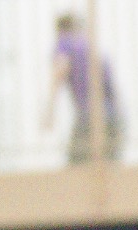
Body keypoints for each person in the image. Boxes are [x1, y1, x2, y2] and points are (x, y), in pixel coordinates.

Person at [44, 13, 123, 166]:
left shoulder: (65, 43)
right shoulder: (89, 46)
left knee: (76, 165)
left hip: (90, 115)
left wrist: (49, 111)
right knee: (107, 166)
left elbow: (60, 71)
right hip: (112, 115)